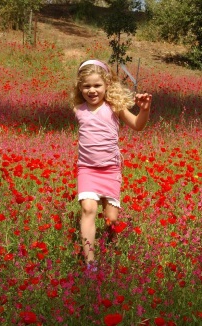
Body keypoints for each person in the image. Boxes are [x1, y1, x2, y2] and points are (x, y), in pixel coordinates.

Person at [71, 59, 152, 269]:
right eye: (87, 86)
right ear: (80, 87)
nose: (92, 90)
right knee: (88, 209)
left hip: (110, 169)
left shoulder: (114, 107)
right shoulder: (78, 109)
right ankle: (90, 263)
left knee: (111, 218)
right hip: (87, 169)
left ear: (107, 84)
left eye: (97, 85)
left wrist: (144, 110)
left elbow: (137, 126)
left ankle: (111, 246)